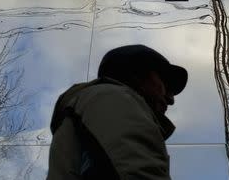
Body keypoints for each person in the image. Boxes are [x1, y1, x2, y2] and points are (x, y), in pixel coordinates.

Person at [47, 44, 188, 180]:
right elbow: (137, 172)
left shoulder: (93, 107)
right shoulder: (114, 98)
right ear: (138, 74)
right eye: (164, 84)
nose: (170, 99)